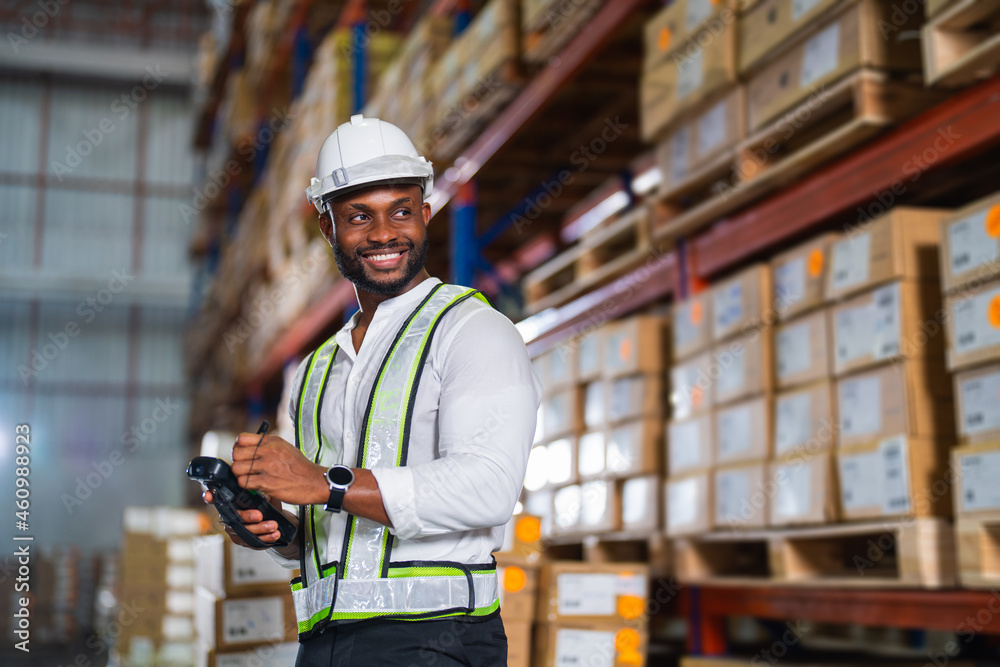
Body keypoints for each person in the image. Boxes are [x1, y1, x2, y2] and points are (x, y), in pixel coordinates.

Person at [203, 115, 542, 666]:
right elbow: (324, 525)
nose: (384, 234)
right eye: (360, 216)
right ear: (327, 228)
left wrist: (323, 482)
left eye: (401, 212)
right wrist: (272, 528)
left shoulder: (471, 329)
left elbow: (489, 487)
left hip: (438, 644)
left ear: (425, 214)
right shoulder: (314, 371)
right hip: (325, 644)